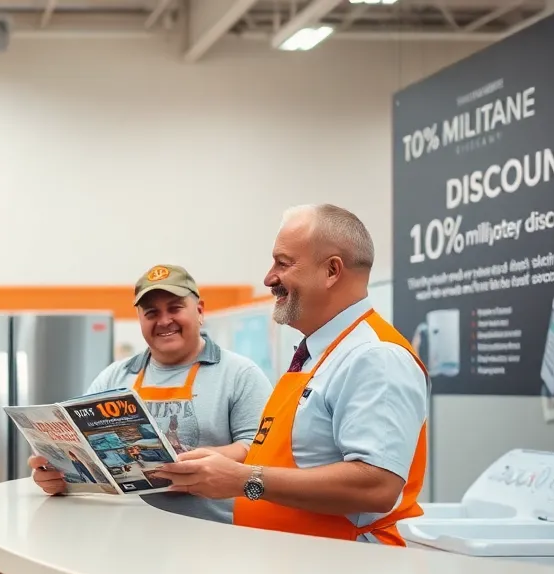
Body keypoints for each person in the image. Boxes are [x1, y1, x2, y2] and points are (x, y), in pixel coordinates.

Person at [152, 204, 430, 545]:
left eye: (283, 263)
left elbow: (377, 485)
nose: (269, 278)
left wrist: (244, 480)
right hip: (296, 570)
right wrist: (218, 463)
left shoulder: (375, 357)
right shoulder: (316, 354)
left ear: (331, 271)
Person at [29, 264, 272, 523]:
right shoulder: (114, 376)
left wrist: (193, 462)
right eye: (152, 312)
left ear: (200, 311)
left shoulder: (240, 374)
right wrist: (56, 474)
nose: (164, 320)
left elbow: (258, 451)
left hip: (213, 535)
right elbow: (81, 450)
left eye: (175, 308)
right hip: (128, 535)